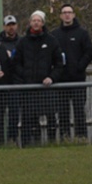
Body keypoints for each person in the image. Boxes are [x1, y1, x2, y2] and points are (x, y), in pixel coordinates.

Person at [11, 10, 64, 147]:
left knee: (51, 118)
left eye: (38, 20)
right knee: (29, 120)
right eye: (33, 20)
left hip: (47, 88)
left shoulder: (51, 41)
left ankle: (52, 144)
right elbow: (16, 63)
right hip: (29, 89)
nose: (36, 23)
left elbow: (59, 63)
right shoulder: (22, 42)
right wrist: (25, 76)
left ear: (43, 23)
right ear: (29, 23)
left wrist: (51, 77)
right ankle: (30, 146)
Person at [50, 4, 92, 141]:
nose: (67, 15)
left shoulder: (82, 33)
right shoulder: (54, 35)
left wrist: (79, 66)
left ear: (74, 15)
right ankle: (65, 138)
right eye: (64, 12)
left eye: (69, 12)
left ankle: (81, 138)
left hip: (78, 79)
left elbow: (89, 52)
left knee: (79, 111)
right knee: (63, 112)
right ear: (60, 16)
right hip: (61, 81)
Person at [0, 15, 23, 145]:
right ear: (4, 27)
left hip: (17, 83)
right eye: (8, 25)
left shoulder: (22, 42)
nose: (11, 27)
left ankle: (13, 140)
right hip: (2, 83)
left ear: (17, 25)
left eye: (13, 24)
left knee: (14, 115)